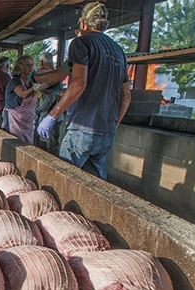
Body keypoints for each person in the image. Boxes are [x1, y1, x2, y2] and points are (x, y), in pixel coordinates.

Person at [35, 2, 131, 180]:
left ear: (83, 23)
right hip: (107, 129)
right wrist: (113, 125)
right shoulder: (119, 51)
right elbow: (126, 96)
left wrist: (52, 116)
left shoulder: (81, 43)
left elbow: (79, 83)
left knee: (64, 181)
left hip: (82, 127)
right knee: (94, 185)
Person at [33, 52, 63, 154]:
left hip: (50, 115)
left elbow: (49, 99)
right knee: (49, 142)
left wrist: (37, 110)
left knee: (49, 145)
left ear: (42, 62)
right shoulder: (59, 75)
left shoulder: (50, 77)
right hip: (56, 115)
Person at [4, 55, 38, 144]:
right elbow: (23, 94)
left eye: (32, 65)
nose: (31, 67)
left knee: (28, 145)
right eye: (28, 65)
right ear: (21, 67)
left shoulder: (30, 82)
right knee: (14, 144)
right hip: (14, 120)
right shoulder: (14, 81)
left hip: (27, 120)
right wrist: (36, 87)